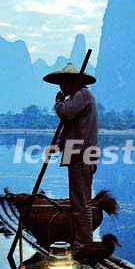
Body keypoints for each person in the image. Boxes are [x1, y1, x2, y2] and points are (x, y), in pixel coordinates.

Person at [43, 62, 99, 249]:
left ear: (72, 82)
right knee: (77, 202)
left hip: (82, 155)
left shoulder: (82, 95)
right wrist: (56, 147)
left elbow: (65, 114)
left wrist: (58, 102)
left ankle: (84, 243)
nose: (61, 87)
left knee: (81, 203)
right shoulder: (76, 98)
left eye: (63, 83)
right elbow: (70, 130)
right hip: (75, 155)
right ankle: (80, 240)